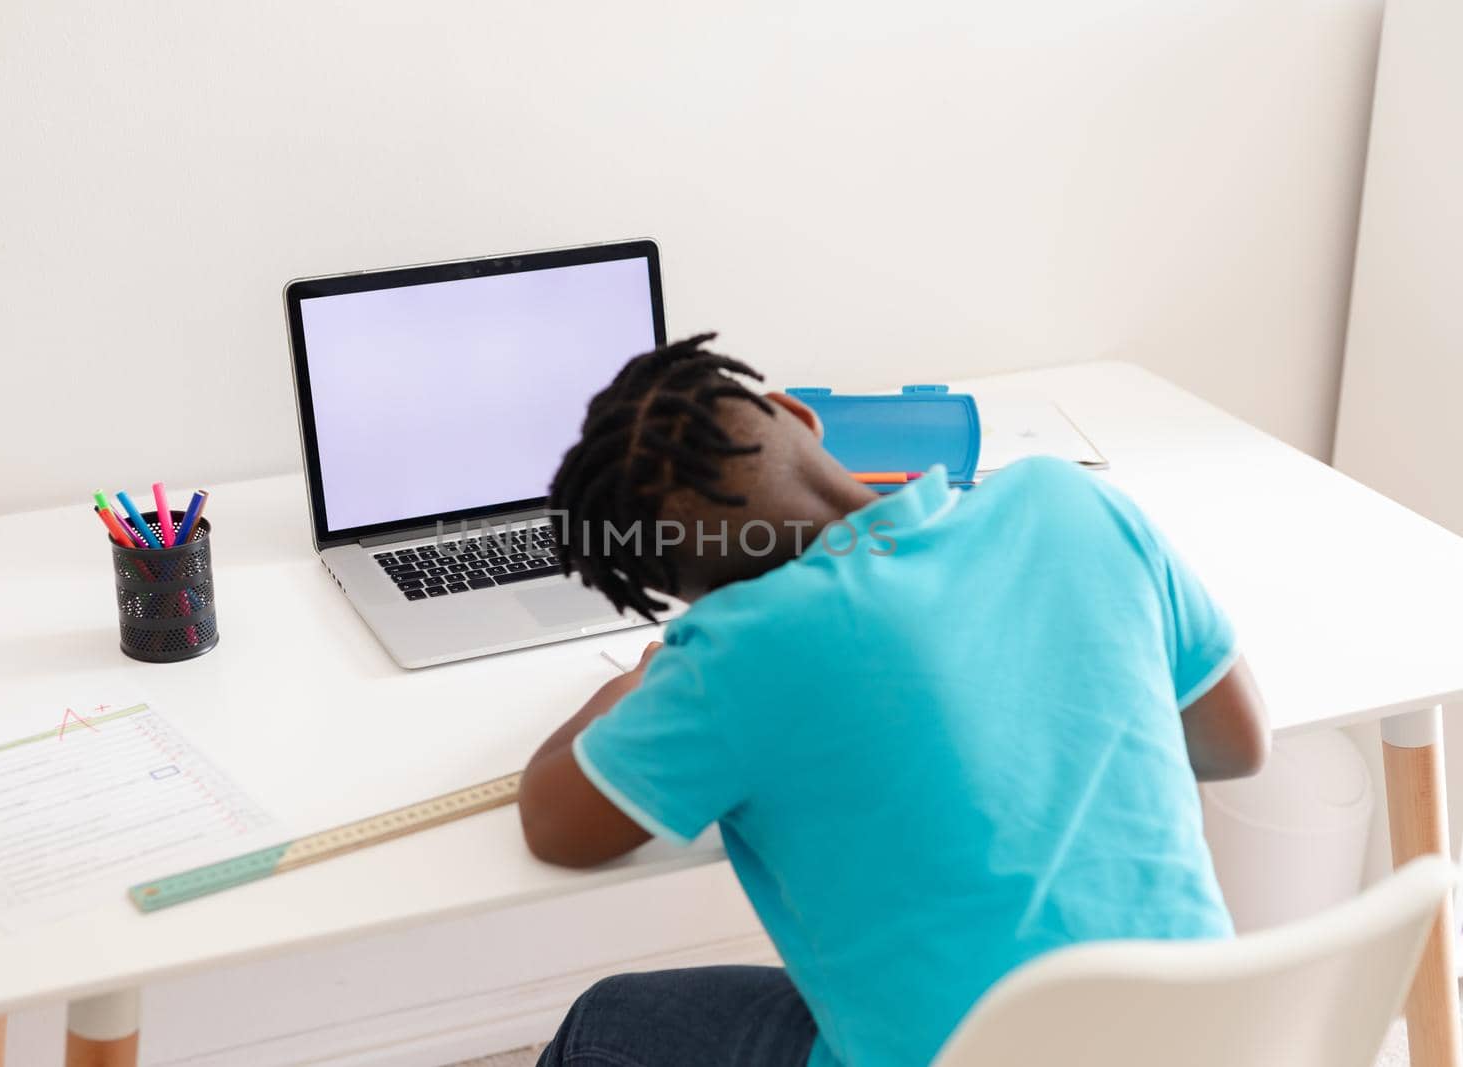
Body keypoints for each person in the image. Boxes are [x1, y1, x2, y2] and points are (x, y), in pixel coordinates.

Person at [520, 334, 1268, 1066]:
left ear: (680, 593)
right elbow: (1238, 744)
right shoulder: (1066, 497)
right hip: (1200, 1036)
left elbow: (554, 824)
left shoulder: (735, 654)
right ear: (800, 414)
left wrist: (639, 684)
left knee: (605, 1019)